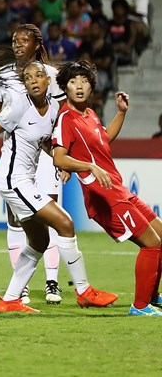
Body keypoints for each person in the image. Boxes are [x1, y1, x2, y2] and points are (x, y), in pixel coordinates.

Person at [0, 62, 118, 313]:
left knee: (39, 241)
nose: (33, 80)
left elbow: (46, 144)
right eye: (27, 78)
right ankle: (84, 291)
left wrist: (61, 164)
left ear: (48, 81)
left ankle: (9, 300)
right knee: (65, 223)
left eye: (38, 75)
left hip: (25, 181)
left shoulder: (54, 109)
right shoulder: (18, 107)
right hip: (12, 180)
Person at [52, 61, 162, 316]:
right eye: (72, 81)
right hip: (104, 196)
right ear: (65, 87)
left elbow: (103, 138)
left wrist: (121, 112)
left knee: (160, 239)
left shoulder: (89, 114)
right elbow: (59, 157)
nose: (79, 86)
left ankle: (152, 295)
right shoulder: (65, 119)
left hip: (119, 189)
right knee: (151, 245)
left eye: (84, 81)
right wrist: (88, 166)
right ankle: (140, 306)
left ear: (92, 86)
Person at [0, 24, 66, 304]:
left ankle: (52, 282)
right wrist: (9, 121)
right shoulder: (3, 76)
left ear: (36, 44)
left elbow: (60, 114)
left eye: (24, 40)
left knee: (53, 215)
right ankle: (19, 289)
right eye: (14, 40)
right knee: (18, 219)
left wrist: (60, 154)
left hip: (45, 150)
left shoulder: (52, 75)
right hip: (18, 151)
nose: (18, 44)